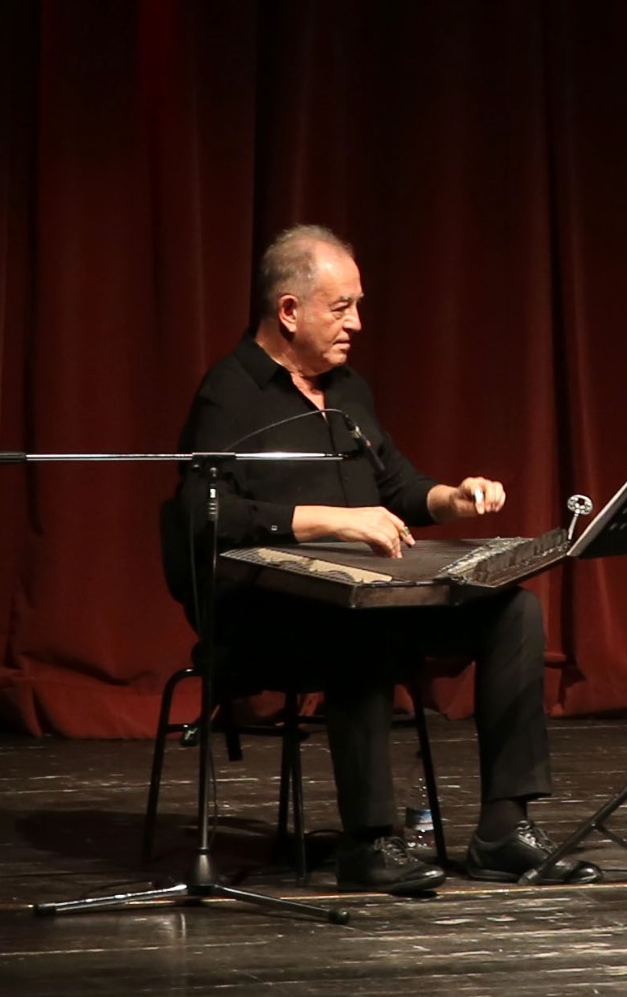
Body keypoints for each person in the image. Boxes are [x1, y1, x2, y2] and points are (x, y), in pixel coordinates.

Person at [166, 224, 598, 895]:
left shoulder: (348, 390)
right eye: (342, 308)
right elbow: (203, 515)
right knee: (356, 623)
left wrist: (452, 497)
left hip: (376, 601)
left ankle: (502, 831)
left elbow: (395, 486)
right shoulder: (230, 393)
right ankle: (368, 843)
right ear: (289, 311)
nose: (357, 324)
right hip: (268, 614)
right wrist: (329, 521)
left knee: (514, 611)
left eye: (357, 306)